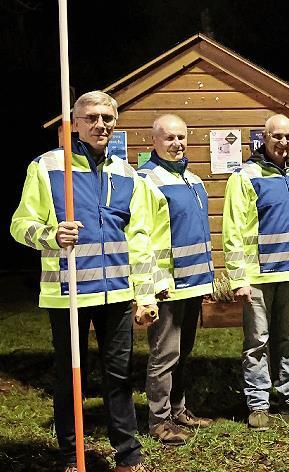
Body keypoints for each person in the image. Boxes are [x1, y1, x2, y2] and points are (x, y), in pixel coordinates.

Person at [10, 91, 155, 472]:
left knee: (120, 376)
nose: (100, 124)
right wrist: (51, 235)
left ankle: (128, 455)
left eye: (107, 117)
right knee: (70, 376)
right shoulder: (48, 166)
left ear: (116, 122)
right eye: (91, 117)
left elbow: (140, 239)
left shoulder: (127, 175)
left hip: (118, 294)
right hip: (68, 293)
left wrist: (145, 294)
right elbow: (19, 225)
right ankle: (71, 456)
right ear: (75, 123)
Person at [222, 113, 289, 431]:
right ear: (263, 138)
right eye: (277, 136)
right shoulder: (245, 176)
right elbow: (233, 230)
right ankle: (257, 403)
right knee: (257, 341)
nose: (283, 142)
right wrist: (238, 277)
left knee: (288, 337)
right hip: (259, 275)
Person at [138, 114, 215, 445]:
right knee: (164, 353)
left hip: (195, 280)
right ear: (153, 141)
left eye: (181, 137)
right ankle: (158, 420)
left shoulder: (193, 180)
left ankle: (178, 409)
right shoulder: (146, 180)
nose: (177, 143)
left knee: (183, 351)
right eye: (169, 138)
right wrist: (153, 284)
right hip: (167, 283)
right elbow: (142, 236)